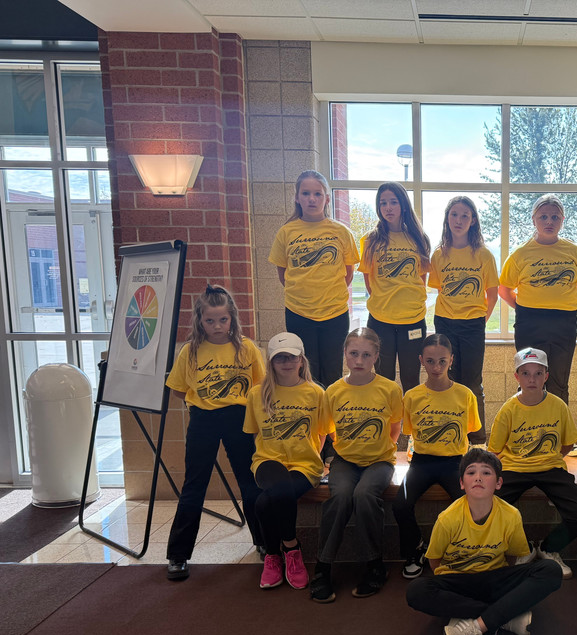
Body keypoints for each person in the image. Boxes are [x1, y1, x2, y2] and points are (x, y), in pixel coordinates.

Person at [406, 449, 563, 635]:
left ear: (498, 483)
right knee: (416, 590)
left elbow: (512, 556)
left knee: (551, 570)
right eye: (471, 473)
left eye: (486, 473)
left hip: (493, 579)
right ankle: (505, 618)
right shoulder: (448, 519)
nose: (478, 477)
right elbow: (435, 561)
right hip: (457, 582)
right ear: (462, 483)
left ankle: (476, 625)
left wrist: (500, 579)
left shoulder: (511, 515)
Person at [164, 285, 265, 581]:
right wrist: (207, 402)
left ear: (232, 318)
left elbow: (259, 387)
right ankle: (178, 555)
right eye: (210, 321)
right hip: (203, 420)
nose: (217, 326)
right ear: (199, 321)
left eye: (223, 320)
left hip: (239, 419)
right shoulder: (191, 351)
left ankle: (264, 542)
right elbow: (179, 391)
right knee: (194, 485)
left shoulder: (247, 348)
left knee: (250, 482)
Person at [314, 327, 403, 602]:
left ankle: (374, 565)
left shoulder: (390, 388)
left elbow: (395, 427)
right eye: (354, 353)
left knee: (364, 495)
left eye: (366, 354)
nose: (359, 360)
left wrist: (377, 448)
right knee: (340, 496)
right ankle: (323, 567)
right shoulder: (334, 391)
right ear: (345, 354)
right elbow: (327, 429)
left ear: (376, 355)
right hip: (344, 461)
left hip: (379, 461)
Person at [487, 347, 577, 579]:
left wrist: (548, 457)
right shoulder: (508, 410)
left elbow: (566, 445)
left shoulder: (558, 406)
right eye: (525, 373)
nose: (531, 379)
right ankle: (523, 549)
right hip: (515, 468)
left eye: (537, 373)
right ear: (517, 376)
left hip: (551, 468)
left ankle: (549, 548)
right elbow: (494, 451)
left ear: (546, 376)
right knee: (488, 504)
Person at [243, 332, 331, 590]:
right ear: (270, 362)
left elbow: (323, 431)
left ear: (301, 360)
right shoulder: (257, 394)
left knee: (263, 502)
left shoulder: (316, 393)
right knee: (280, 488)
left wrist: (311, 452)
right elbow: (256, 433)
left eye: (291, 357)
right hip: (267, 462)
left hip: (305, 466)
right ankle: (292, 548)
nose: (286, 362)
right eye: (279, 357)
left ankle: (272, 555)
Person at [396, 334, 480, 579]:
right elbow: (410, 432)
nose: (436, 367)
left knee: (470, 503)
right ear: (421, 360)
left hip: (454, 461)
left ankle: (458, 552)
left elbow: (471, 429)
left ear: (451, 360)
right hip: (422, 461)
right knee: (400, 504)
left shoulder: (465, 395)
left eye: (442, 361)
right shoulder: (412, 396)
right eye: (430, 361)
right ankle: (416, 550)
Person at [498, 194, 577, 406]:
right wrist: (523, 308)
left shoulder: (574, 252)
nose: (549, 222)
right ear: (534, 220)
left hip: (564, 322)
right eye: (543, 217)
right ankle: (527, 433)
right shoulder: (520, 255)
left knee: (559, 380)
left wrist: (561, 300)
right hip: (529, 323)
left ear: (562, 220)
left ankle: (559, 435)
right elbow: (504, 290)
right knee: (529, 380)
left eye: (555, 217)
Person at [268, 170, 359, 386]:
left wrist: (326, 294)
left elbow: (348, 273)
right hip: (299, 313)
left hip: (334, 314)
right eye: (306, 193)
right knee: (305, 373)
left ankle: (329, 420)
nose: (311, 199)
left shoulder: (341, 232)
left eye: (317, 194)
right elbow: (284, 275)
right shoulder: (286, 232)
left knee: (332, 372)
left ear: (326, 198)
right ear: (297, 198)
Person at [428, 196, 498, 446]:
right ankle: (453, 434)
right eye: (454, 215)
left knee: (471, 382)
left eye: (465, 216)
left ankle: (477, 439)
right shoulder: (439, 255)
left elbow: (492, 295)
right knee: (448, 379)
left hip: (472, 325)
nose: (459, 220)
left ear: (473, 221)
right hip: (445, 322)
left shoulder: (483, 255)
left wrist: (479, 320)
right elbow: (439, 290)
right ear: (447, 219)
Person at [359, 182, 431, 394]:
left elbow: (422, 279)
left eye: (393, 202)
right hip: (381, 322)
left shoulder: (419, 239)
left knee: (411, 379)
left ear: (403, 206)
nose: (388, 207)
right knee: (383, 381)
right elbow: (369, 282)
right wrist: (387, 302)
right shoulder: (371, 241)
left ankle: (409, 428)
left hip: (413, 321)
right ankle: (386, 427)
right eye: (383, 203)